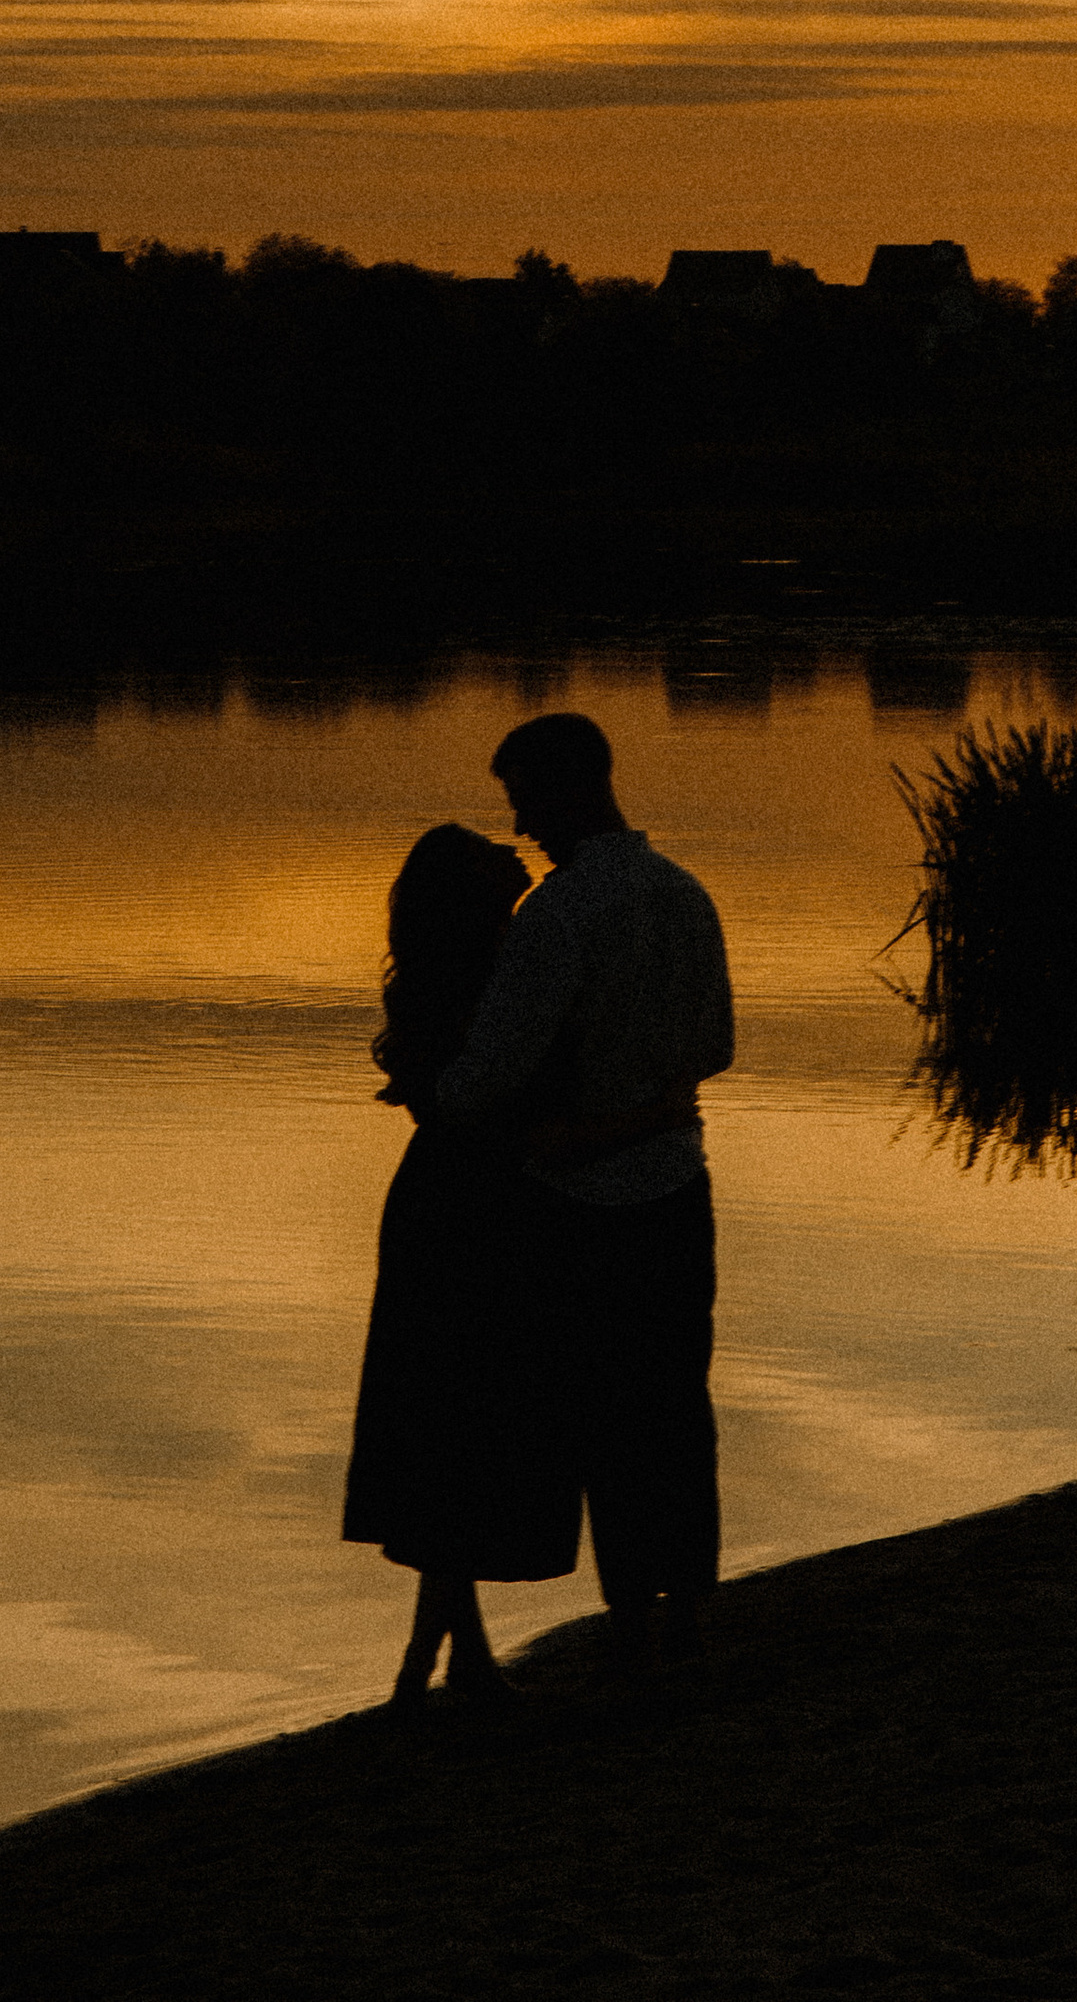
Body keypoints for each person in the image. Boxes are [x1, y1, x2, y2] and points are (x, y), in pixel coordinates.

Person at [435, 710, 735, 1666]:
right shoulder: (685, 894)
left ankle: (634, 1626)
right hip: (680, 1191)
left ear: (566, 790)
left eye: (523, 800)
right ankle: (685, 1610)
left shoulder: (557, 916)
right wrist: (653, 1106)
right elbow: (717, 1048)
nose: (520, 825)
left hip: (580, 1204)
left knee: (605, 1420)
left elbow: (486, 1076)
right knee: (677, 1409)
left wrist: (433, 1081)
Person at [340, 823, 579, 1707]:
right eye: (490, 853)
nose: (514, 847)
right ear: (470, 894)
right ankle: (420, 1670)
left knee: (452, 1429)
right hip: (482, 1209)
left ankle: (457, 1660)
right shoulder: (491, 979)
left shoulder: (472, 971)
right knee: (462, 1428)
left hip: (446, 1202)